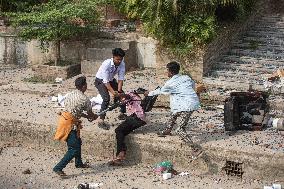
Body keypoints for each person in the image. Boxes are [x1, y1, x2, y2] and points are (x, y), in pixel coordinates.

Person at [145, 61, 200, 149]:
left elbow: (160, 91)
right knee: (174, 113)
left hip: (187, 106)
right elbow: (192, 85)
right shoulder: (186, 77)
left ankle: (194, 148)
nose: (166, 72)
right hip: (191, 101)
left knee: (179, 129)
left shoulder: (170, 83)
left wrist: (148, 93)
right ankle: (168, 130)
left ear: (170, 72)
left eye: (167, 70)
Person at [53, 76, 98, 178]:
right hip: (70, 124)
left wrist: (87, 116)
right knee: (73, 149)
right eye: (86, 84)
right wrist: (93, 116)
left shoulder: (70, 94)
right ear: (84, 86)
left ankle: (79, 163)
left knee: (77, 142)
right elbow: (90, 114)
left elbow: (75, 110)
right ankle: (58, 168)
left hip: (64, 120)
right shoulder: (85, 99)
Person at [109, 91, 147, 166]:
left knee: (118, 130)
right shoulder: (133, 94)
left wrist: (120, 95)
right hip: (139, 118)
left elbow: (126, 96)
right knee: (122, 132)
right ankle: (119, 154)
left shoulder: (128, 95)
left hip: (137, 118)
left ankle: (121, 152)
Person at [94, 48, 127, 129]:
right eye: (117, 59)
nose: (119, 61)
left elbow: (120, 79)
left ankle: (122, 114)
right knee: (106, 98)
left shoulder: (122, 63)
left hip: (111, 80)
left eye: (121, 59)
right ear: (113, 57)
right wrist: (113, 93)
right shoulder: (106, 64)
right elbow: (105, 82)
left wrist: (118, 92)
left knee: (123, 95)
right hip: (100, 81)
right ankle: (101, 120)